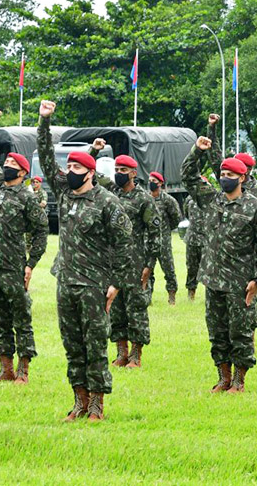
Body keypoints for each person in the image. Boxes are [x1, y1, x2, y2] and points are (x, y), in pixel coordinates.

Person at [38, 101, 132, 422]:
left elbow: (123, 242)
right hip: (66, 281)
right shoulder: (64, 193)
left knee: (94, 345)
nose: (70, 173)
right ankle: (78, 400)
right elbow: (48, 161)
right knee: (72, 343)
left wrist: (116, 282)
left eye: (77, 169)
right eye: (70, 169)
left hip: (94, 284)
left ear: (90, 173)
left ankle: (96, 404)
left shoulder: (107, 201)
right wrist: (44, 122)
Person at [182, 136, 257, 393]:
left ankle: (239, 380)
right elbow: (188, 176)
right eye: (222, 173)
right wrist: (197, 151)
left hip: (240, 281)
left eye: (230, 174)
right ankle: (223, 377)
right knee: (217, 331)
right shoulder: (211, 199)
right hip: (213, 279)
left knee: (241, 331)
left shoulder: (255, 207)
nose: (225, 177)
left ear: (242, 178)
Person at [0, 108, 49, 383]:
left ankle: (23, 369)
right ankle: (5, 367)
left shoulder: (27, 198)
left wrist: (31, 264)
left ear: (22, 172)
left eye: (11, 166)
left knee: (21, 317)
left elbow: (41, 231)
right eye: (5, 164)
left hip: (13, 265)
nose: (5, 167)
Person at [89, 141, 162, 369]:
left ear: (133, 173)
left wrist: (149, 264)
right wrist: (95, 150)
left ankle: (136, 355)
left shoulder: (144, 199)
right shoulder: (111, 192)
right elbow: (89, 172)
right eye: (117, 170)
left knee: (136, 308)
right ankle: (121, 352)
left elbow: (155, 232)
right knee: (116, 308)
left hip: (136, 262)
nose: (119, 174)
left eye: (123, 171)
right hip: (112, 261)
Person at [149, 171, 181, 305]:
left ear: (160, 183)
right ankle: (147, 297)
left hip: (164, 241)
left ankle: (172, 295)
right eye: (149, 180)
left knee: (168, 269)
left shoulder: (168, 200)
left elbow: (176, 218)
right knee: (147, 270)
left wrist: (166, 231)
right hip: (148, 241)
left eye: (154, 181)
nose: (151, 183)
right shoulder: (145, 198)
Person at [184, 192, 206, 301]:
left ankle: (211, 295)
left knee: (209, 269)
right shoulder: (189, 199)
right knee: (191, 267)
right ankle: (191, 294)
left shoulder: (211, 200)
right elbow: (186, 214)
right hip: (192, 239)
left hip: (206, 240)